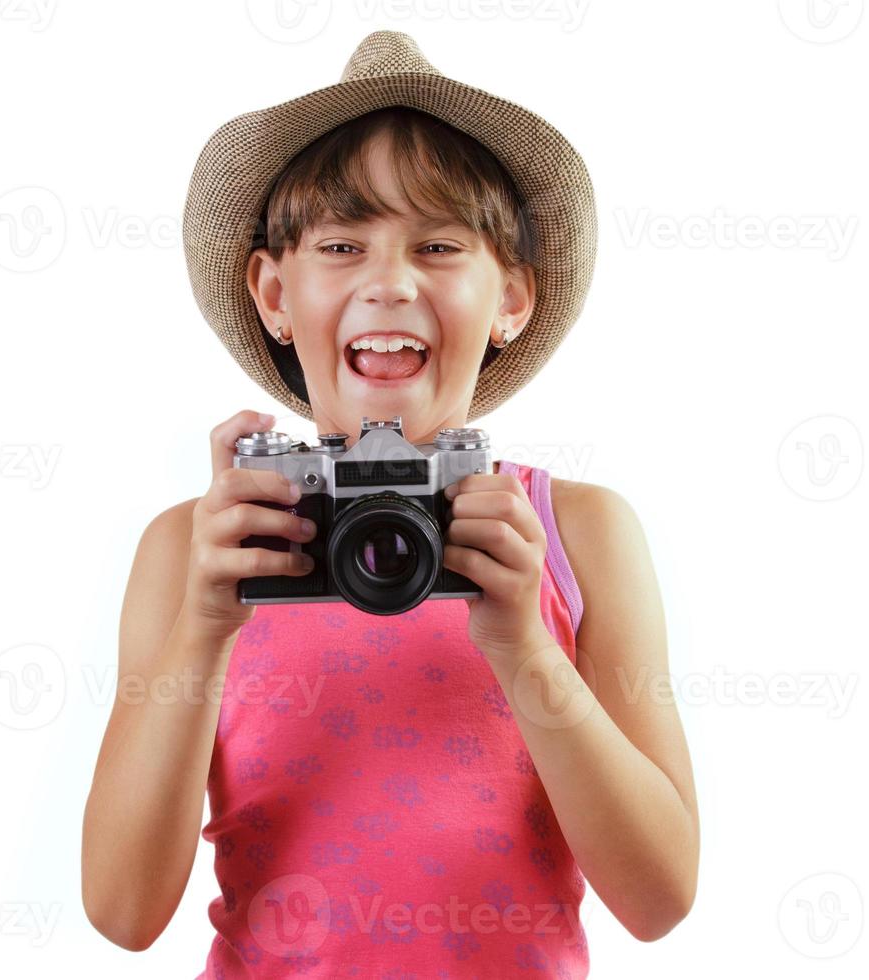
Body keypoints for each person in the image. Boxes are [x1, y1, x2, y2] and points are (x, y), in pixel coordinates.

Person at [81, 31, 699, 978]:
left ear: (513, 301)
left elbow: (659, 899)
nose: (390, 279)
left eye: (440, 245)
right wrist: (203, 630)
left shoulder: (575, 534)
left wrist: (526, 645)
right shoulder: (202, 547)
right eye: (341, 244)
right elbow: (122, 911)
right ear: (274, 293)